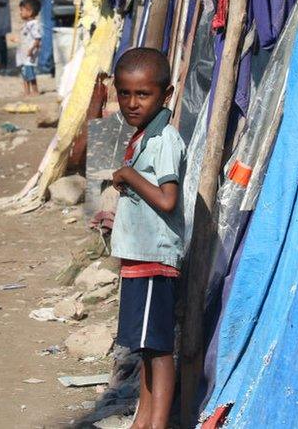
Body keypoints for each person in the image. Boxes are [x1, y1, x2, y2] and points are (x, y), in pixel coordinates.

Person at [109, 48, 185, 429]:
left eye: (143, 95)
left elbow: (168, 200)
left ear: (166, 95)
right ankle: (143, 419)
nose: (132, 103)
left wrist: (126, 175)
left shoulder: (164, 140)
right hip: (138, 258)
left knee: (159, 349)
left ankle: (158, 423)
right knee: (145, 345)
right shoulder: (142, 138)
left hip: (155, 260)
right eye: (125, 93)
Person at [15, 0, 41, 96]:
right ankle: (26, 91)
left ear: (29, 12)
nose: (20, 12)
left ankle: (35, 90)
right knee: (24, 73)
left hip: (29, 55)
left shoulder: (34, 25)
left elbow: (37, 39)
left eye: (22, 10)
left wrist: (32, 49)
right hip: (24, 54)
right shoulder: (27, 24)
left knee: (30, 73)